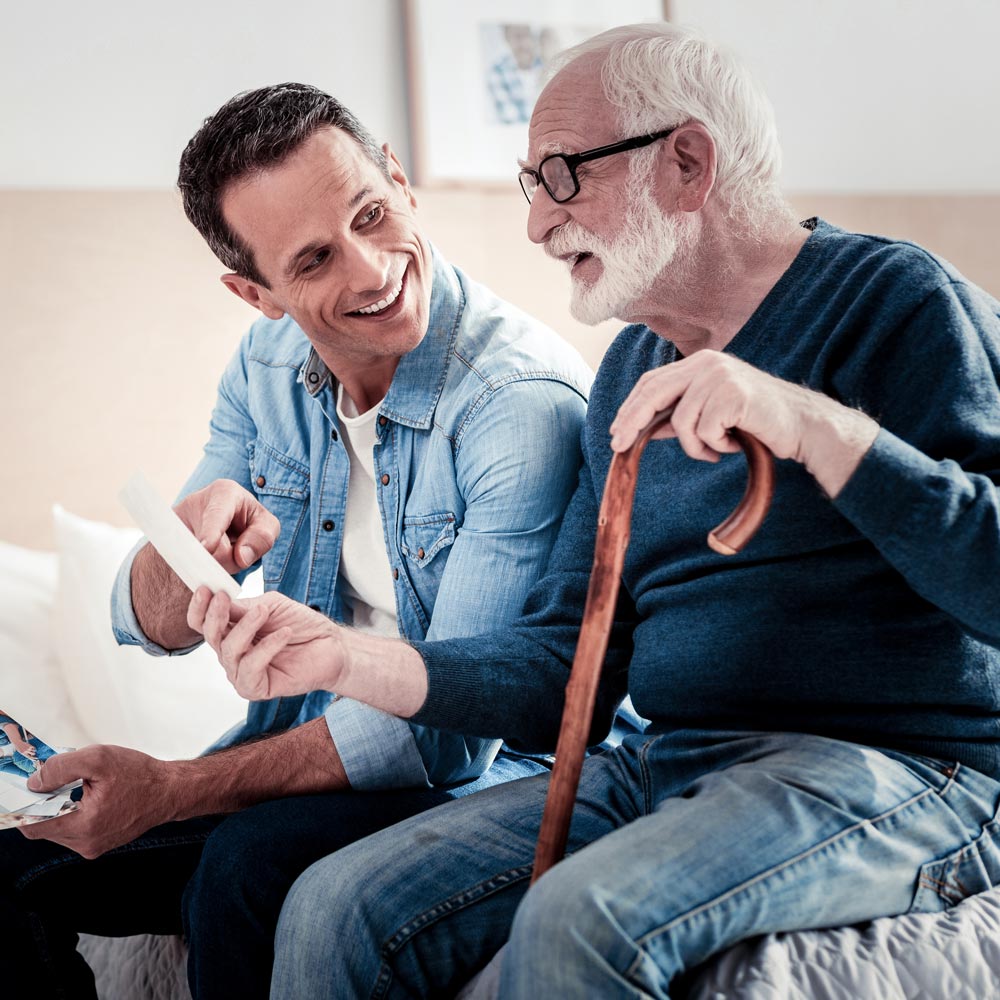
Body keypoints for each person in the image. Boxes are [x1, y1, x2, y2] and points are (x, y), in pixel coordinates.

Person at [190, 23, 1000, 998]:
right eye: (531, 185)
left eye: (562, 176)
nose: (537, 225)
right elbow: (554, 674)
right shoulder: (628, 370)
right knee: (334, 905)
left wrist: (813, 425)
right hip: (667, 759)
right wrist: (340, 656)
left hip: (897, 768)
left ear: (689, 162)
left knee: (585, 918)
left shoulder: (895, 299)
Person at [0, 83, 644, 1000]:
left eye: (373, 215)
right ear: (255, 293)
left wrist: (178, 788)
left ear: (400, 181)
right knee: (14, 864)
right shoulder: (264, 370)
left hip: (492, 771)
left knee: (245, 871)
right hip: (312, 745)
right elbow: (147, 622)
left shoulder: (516, 405)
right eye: (312, 260)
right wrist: (174, 559)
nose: (372, 270)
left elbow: (456, 738)